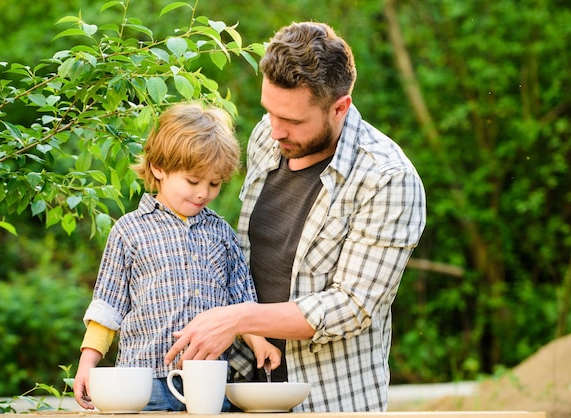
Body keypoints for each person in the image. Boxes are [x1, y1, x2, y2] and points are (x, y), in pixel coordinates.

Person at [165, 22, 426, 412]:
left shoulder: (387, 179)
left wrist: (239, 318)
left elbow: (351, 307)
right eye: (269, 111)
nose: (275, 130)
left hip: (325, 399)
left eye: (293, 121)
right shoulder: (265, 138)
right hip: (241, 390)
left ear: (340, 108)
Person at [73, 102, 281, 411]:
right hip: (143, 382)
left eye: (214, 183)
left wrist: (258, 340)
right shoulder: (129, 231)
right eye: (193, 181)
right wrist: (87, 363)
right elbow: (108, 307)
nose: (203, 193)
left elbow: (241, 301)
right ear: (159, 168)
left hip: (209, 382)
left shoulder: (221, 233)